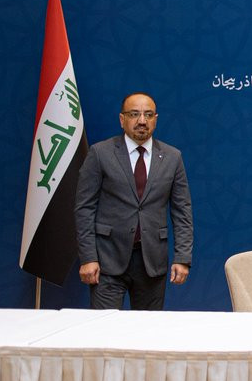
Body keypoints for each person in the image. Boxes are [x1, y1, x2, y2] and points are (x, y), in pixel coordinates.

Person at [75, 92, 193, 309]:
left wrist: (182, 258)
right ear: (122, 119)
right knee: (104, 326)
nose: (142, 121)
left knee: (147, 329)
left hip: (152, 262)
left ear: (155, 119)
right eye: (134, 114)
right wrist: (88, 257)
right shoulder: (100, 153)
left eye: (148, 115)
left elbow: (182, 212)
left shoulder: (172, 157)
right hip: (107, 260)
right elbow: (84, 208)